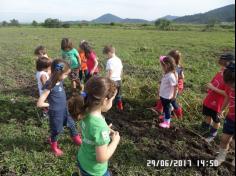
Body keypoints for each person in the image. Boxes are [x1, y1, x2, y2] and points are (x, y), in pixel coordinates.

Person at [68, 77, 120, 176]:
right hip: (95, 171)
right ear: (105, 101)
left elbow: (90, 130)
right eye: (112, 99)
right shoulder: (100, 127)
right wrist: (115, 141)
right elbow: (102, 158)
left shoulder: (84, 112)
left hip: (83, 160)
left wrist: (106, 129)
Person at [37, 59, 82, 157]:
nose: (66, 77)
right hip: (56, 113)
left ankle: (76, 138)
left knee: (72, 124)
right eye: (65, 74)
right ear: (58, 73)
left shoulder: (59, 80)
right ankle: (53, 145)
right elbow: (40, 103)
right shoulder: (50, 85)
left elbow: (52, 69)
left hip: (64, 110)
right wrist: (51, 105)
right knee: (57, 130)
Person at [201, 53, 235, 142]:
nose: (222, 68)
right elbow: (213, 82)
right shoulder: (220, 73)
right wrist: (209, 88)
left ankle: (212, 134)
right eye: (221, 65)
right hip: (210, 99)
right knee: (207, 114)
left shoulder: (229, 78)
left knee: (216, 119)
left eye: (224, 65)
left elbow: (226, 94)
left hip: (218, 103)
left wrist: (213, 88)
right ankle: (205, 130)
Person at [154, 50, 184, 119]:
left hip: (175, 88)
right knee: (166, 99)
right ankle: (160, 110)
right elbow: (182, 77)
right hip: (173, 86)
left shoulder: (176, 69)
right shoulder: (176, 67)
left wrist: (177, 78)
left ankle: (171, 115)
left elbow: (180, 78)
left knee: (170, 101)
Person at [216, 62, 235, 166]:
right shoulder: (229, 87)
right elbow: (227, 97)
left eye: (232, 84)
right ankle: (221, 156)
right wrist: (222, 109)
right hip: (231, 118)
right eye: (228, 84)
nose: (230, 87)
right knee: (224, 139)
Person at [158, 56, 180, 128]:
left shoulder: (171, 76)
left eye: (163, 66)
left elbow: (175, 86)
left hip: (167, 96)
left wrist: (174, 96)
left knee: (167, 109)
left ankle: (167, 123)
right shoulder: (167, 74)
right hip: (163, 95)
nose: (162, 67)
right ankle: (165, 116)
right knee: (165, 107)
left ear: (167, 65)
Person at [103, 45, 124, 111]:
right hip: (119, 80)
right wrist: (120, 77)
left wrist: (106, 80)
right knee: (118, 95)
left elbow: (110, 72)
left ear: (109, 53)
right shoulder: (119, 60)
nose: (106, 56)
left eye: (106, 54)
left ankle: (109, 107)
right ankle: (120, 107)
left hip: (112, 81)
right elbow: (121, 70)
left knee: (110, 95)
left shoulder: (110, 61)